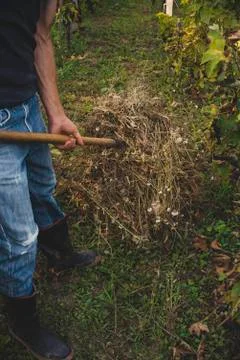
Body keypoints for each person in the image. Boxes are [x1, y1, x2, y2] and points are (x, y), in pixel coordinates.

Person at [0, 1, 99, 359]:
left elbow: (39, 36)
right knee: (20, 236)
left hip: (27, 110)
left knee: (43, 187)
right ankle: (22, 323)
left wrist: (55, 113)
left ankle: (59, 250)